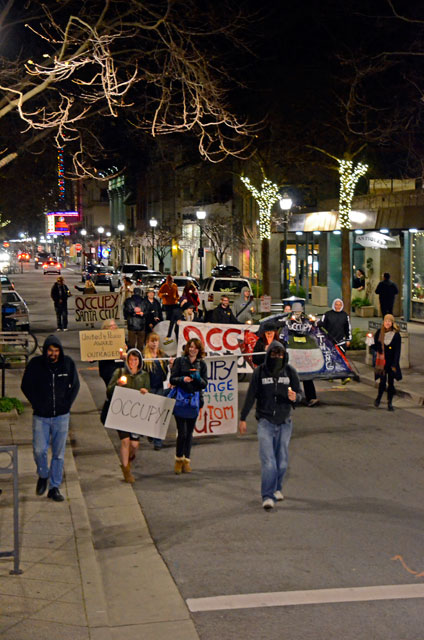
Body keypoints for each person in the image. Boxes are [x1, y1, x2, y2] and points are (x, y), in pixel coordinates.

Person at [239, 341, 303, 510]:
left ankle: (277, 488)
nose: (277, 357)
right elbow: (251, 395)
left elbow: (300, 394)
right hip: (265, 421)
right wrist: (243, 417)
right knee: (269, 462)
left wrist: (294, 397)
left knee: (282, 462)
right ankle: (267, 496)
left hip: (284, 422)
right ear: (268, 355)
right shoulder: (260, 372)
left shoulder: (290, 372)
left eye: (280, 354)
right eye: (274, 354)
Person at [21, 335, 80, 502]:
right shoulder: (35, 365)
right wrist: (36, 403)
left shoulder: (67, 364)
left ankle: (54, 487)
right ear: (45, 350)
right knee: (39, 449)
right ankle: (43, 474)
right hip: (41, 417)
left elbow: (75, 385)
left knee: (58, 454)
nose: (53, 354)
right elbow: (25, 385)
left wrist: (67, 404)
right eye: (50, 350)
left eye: (56, 350)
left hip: (61, 417)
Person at [107, 348, 150, 483]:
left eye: (135, 360)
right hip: (122, 413)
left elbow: (149, 394)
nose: (133, 362)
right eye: (130, 359)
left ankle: (129, 459)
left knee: (134, 445)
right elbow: (109, 391)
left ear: (139, 361)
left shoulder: (144, 376)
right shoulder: (119, 373)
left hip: (136, 415)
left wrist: (145, 392)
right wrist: (117, 384)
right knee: (125, 441)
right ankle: (126, 470)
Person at [170, 338, 208, 474]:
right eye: (190, 347)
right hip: (180, 400)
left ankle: (187, 460)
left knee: (190, 433)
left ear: (199, 350)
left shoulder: (202, 364)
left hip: (194, 402)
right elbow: (172, 379)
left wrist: (197, 378)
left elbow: (204, 384)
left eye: (195, 348)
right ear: (187, 348)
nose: (192, 349)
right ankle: (178, 459)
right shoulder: (180, 361)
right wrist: (182, 379)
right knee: (182, 432)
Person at [143, 332, 170, 450]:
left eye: (156, 341)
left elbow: (172, 366)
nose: (154, 343)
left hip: (160, 388)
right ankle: (151, 433)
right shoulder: (144, 356)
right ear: (148, 342)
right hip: (149, 389)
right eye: (152, 341)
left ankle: (158, 441)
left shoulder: (163, 354)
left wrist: (173, 364)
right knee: (150, 415)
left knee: (159, 415)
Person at [371, 314, 401, 411]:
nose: (387, 323)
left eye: (389, 321)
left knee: (391, 383)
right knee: (382, 382)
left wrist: (394, 364)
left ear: (392, 323)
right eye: (386, 321)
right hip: (382, 362)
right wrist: (375, 346)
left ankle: (390, 403)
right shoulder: (380, 332)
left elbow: (397, 351)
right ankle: (378, 399)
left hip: (391, 362)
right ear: (383, 322)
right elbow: (374, 345)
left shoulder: (396, 335)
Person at [98, 318, 126, 386]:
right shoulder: (101, 340)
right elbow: (96, 352)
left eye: (115, 325)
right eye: (111, 326)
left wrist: (126, 349)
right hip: (107, 369)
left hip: (120, 367)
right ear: (105, 328)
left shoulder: (120, 337)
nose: (114, 327)